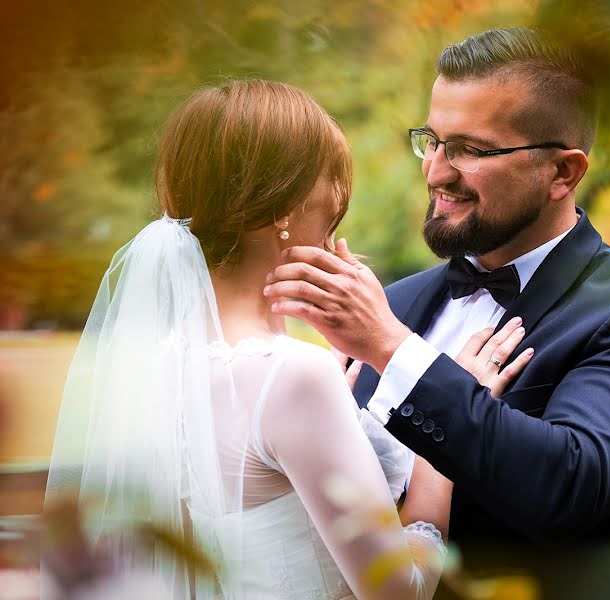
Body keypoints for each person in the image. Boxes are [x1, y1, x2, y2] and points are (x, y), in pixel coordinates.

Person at [265, 29, 610, 598]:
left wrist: (393, 350)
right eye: (432, 140)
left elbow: (567, 486)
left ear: (563, 173)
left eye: (471, 150)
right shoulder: (397, 303)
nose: (435, 172)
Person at [43, 79, 528, 600]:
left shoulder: (156, 362)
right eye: (330, 177)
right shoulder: (294, 375)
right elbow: (399, 592)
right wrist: (442, 446)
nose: (340, 195)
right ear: (283, 204)